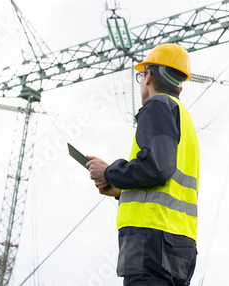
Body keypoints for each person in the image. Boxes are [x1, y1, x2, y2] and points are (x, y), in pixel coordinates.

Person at [86, 43, 200, 286]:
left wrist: (109, 172)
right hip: (180, 244)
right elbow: (167, 180)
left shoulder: (157, 105)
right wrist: (121, 189)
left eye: (142, 74)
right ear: (180, 85)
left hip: (150, 240)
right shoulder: (184, 116)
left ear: (147, 75)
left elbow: (157, 167)